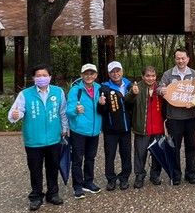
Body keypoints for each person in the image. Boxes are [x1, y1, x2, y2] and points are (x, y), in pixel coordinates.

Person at [8, 64, 68, 211]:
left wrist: (65, 129)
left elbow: (63, 112)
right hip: (33, 140)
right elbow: (15, 112)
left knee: (53, 167)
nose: (41, 78)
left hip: (54, 138)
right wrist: (15, 115)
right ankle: (36, 196)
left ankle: (53, 194)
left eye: (44, 75)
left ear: (50, 77)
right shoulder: (25, 94)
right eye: (38, 75)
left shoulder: (58, 92)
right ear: (33, 78)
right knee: (35, 169)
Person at [159, 48, 195, 185]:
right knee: (174, 147)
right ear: (174, 59)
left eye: (183, 58)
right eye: (178, 58)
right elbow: (160, 88)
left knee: (192, 146)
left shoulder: (194, 75)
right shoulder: (168, 74)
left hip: (190, 117)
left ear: (188, 59)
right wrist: (161, 90)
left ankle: (191, 173)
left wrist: (194, 102)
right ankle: (176, 174)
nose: (181, 61)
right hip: (173, 118)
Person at [66, 64, 103, 199]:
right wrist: (76, 111)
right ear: (82, 75)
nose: (89, 76)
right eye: (86, 74)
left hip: (94, 130)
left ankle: (88, 182)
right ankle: (77, 186)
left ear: (96, 75)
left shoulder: (99, 88)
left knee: (90, 158)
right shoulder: (76, 90)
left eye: (91, 73)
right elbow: (68, 111)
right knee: (77, 159)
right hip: (79, 130)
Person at [126, 66, 165, 189]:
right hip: (142, 127)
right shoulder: (137, 87)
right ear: (143, 76)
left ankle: (155, 175)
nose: (150, 78)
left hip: (158, 127)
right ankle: (139, 176)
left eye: (153, 76)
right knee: (140, 154)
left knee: (158, 153)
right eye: (148, 76)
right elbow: (126, 101)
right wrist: (133, 93)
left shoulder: (159, 88)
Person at [98, 61, 133, 191]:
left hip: (126, 128)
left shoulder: (130, 86)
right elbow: (101, 111)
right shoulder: (104, 88)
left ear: (122, 71)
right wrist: (101, 104)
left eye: (118, 71)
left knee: (126, 154)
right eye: (112, 71)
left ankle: (124, 178)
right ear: (109, 74)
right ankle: (111, 179)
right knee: (110, 155)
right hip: (110, 129)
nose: (115, 74)